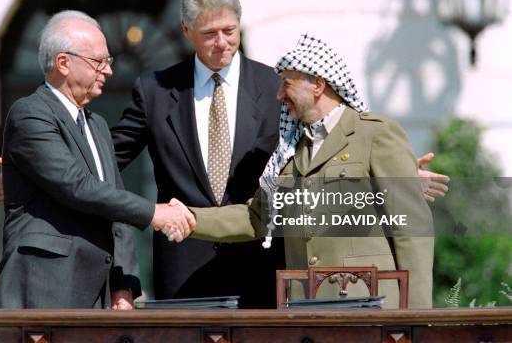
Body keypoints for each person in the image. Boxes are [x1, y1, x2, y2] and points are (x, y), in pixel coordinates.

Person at [0, 0, 448, 308]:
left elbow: (323, 156)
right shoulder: (156, 89)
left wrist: (394, 176)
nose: (222, 43)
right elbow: (104, 161)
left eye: (230, 31)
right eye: (209, 34)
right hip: (185, 271)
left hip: (272, 271)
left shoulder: (275, 86)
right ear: (186, 33)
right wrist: (32, 173)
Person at [171, 34, 436, 308]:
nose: (279, 95)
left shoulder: (374, 134)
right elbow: (256, 217)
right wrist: (190, 218)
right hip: (304, 310)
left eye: (286, 84)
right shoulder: (289, 150)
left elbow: (411, 229)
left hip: (368, 308)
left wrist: (416, 319)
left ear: (318, 85)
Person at [0, 10, 194, 309]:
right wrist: (154, 213)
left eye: (108, 62)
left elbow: (114, 201)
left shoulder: (96, 124)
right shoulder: (30, 113)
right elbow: (77, 186)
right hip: (43, 289)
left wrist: (125, 285)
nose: (109, 71)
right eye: (99, 62)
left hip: (95, 295)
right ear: (63, 63)